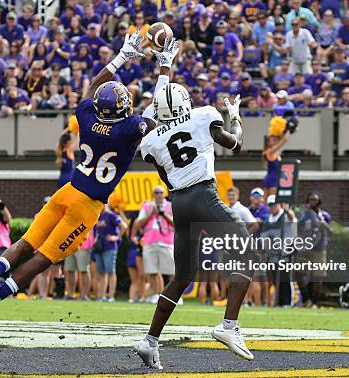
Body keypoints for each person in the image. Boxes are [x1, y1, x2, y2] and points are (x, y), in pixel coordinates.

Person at [0, 32, 160, 329]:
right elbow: (154, 117)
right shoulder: (129, 129)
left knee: (26, 241)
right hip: (87, 205)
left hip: (66, 190)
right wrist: (165, 70)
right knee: (44, 257)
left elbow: (93, 87)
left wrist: (122, 57)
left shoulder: (85, 116)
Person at [133, 78, 252, 367]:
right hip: (202, 195)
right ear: (186, 101)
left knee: (182, 277)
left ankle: (149, 341)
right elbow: (235, 144)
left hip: (180, 204)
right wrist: (235, 116)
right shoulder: (203, 115)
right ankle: (229, 326)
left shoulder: (152, 139)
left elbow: (166, 179)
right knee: (247, 250)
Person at [131, 186, 175, 304]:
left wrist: (164, 214)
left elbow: (176, 223)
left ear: (164, 194)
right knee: (152, 271)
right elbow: (138, 223)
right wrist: (151, 214)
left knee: (171, 271)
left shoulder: (170, 206)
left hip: (167, 241)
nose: (159, 195)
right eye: (156, 193)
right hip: (150, 241)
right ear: (153, 194)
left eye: (161, 192)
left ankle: (175, 296)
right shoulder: (147, 206)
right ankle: (156, 294)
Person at [295, 192, 332, 308]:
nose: (312, 202)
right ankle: (306, 298)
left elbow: (331, 231)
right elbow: (297, 228)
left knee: (318, 276)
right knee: (298, 273)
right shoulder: (304, 214)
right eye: (310, 199)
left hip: (319, 248)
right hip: (305, 247)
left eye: (315, 200)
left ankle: (315, 301)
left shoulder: (324, 215)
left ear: (319, 201)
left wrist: (324, 224)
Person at [93, 204, 127, 302]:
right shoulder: (98, 216)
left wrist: (116, 237)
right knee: (101, 273)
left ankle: (111, 296)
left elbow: (124, 226)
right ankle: (102, 296)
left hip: (110, 247)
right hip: (99, 247)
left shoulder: (111, 215)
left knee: (110, 272)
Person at [262, 117, 291, 198]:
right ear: (268, 142)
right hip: (272, 179)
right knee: (271, 201)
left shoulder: (272, 151)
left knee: (271, 201)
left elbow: (281, 138)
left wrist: (284, 130)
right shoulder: (270, 151)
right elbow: (283, 141)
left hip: (275, 178)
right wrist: (289, 130)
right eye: (272, 139)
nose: (275, 140)